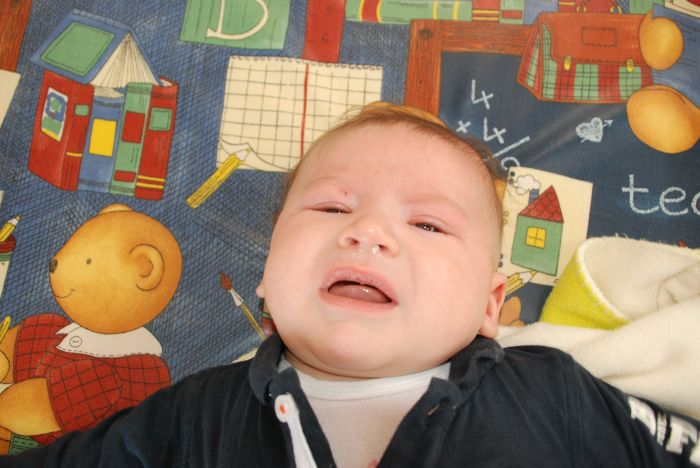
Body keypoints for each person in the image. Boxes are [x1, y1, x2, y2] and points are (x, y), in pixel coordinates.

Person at [2, 102, 699, 467]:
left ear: (490, 307)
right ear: (268, 279)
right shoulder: (195, 417)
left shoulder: (552, 394)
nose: (368, 233)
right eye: (333, 209)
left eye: (427, 224)